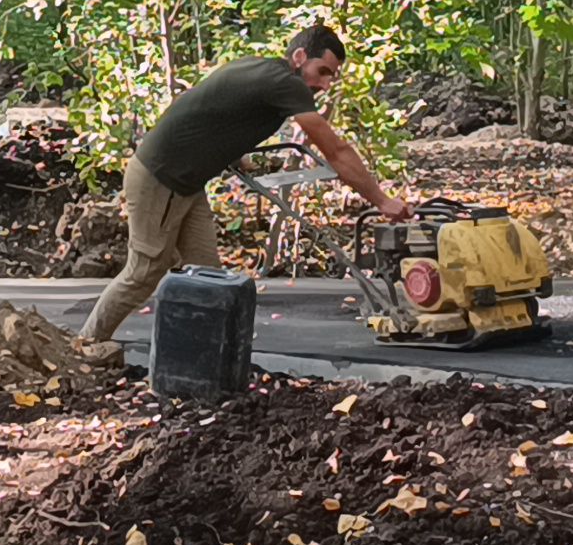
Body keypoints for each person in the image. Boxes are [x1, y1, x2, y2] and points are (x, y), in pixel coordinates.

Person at [78, 24, 409, 357]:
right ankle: (85, 345)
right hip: (161, 179)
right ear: (299, 56)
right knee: (145, 270)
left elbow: (218, 111)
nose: (324, 84)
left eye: (331, 77)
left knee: (206, 275)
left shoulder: (259, 68)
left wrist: (236, 155)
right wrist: (381, 200)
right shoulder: (287, 83)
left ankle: (206, 359)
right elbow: (335, 151)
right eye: (322, 71)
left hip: (187, 183)